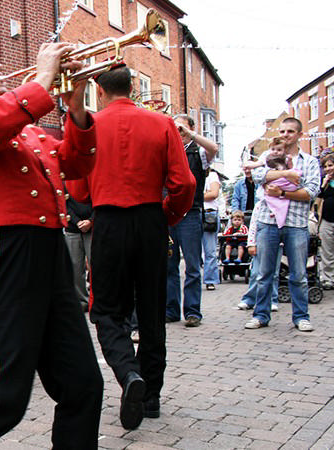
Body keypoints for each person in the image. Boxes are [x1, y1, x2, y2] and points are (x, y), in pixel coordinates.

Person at [0, 37, 103, 448]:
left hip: (49, 255)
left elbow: (77, 165)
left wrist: (76, 104)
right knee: (4, 395)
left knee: (82, 383)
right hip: (4, 253)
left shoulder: (25, 128)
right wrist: (44, 77)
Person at [75, 65, 195, 430]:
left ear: (98, 90)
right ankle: (152, 394)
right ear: (132, 87)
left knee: (107, 310)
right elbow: (184, 182)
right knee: (152, 308)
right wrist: (168, 216)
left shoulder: (90, 126)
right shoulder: (161, 124)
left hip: (109, 221)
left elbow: (79, 191)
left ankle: (129, 374)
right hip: (150, 220)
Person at [245, 117, 319, 332]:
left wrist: (282, 192)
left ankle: (301, 317)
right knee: (264, 273)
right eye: (283, 131)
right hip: (268, 221)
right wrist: (286, 174)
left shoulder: (309, 161)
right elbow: (258, 176)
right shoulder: (268, 155)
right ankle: (260, 315)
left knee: (299, 274)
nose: (286, 135)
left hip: (296, 223)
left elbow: (311, 191)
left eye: (290, 132)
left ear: (299, 135)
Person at [166, 114, 218, 327]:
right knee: (169, 265)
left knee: (193, 265)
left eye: (182, 128)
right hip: (168, 213)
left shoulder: (197, 152)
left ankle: (192, 311)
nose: (178, 132)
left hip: (191, 213)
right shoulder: (167, 151)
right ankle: (170, 310)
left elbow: (213, 149)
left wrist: (191, 135)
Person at [64, 185, 93, 310]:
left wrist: (91, 220)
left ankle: (96, 300)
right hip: (72, 226)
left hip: (92, 226)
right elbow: (63, 203)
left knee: (96, 264)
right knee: (75, 267)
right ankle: (82, 301)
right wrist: (76, 221)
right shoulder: (63, 178)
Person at [202, 168, 221, 290]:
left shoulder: (212, 175)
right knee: (195, 252)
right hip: (192, 213)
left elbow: (213, 194)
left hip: (209, 215)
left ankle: (210, 280)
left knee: (210, 250)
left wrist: (195, 194)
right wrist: (204, 193)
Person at [317, 154, 334, 289]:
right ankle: (328, 279)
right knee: (326, 251)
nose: (328, 169)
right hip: (327, 220)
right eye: (325, 166)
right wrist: (324, 184)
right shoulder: (324, 182)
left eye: (330, 165)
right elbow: (318, 197)